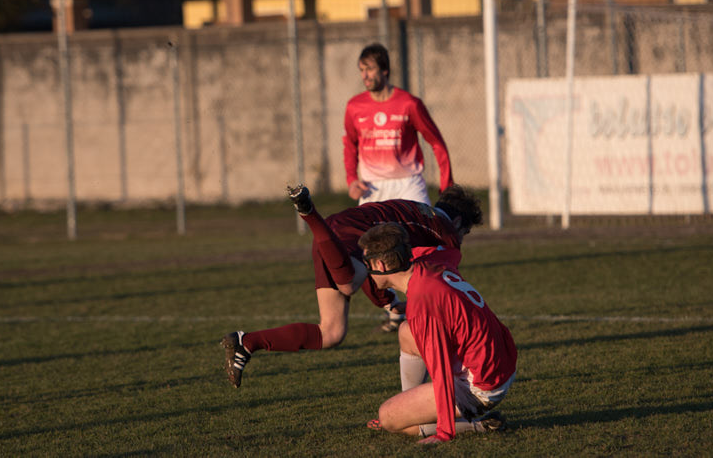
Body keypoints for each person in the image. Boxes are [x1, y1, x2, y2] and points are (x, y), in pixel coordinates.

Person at [220, 183, 483, 389]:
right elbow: (442, 286)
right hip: (348, 234)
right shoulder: (447, 232)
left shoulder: (419, 211)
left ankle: (246, 342)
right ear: (459, 223)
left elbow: (375, 272)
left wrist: (389, 302)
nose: (462, 239)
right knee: (347, 284)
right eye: (466, 233)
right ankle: (310, 215)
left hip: (335, 232)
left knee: (331, 332)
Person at [358, 222, 517, 445]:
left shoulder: (423, 304)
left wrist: (444, 432)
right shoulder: (428, 263)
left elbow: (440, 371)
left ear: (380, 265)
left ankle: (476, 424)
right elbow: (451, 258)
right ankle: (413, 408)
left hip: (483, 385)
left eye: (367, 263)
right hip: (501, 361)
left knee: (388, 418)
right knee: (406, 331)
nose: (366, 270)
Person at [343, 42, 453, 206]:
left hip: (409, 185)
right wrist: (352, 180)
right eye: (361, 70)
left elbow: (437, 143)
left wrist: (446, 185)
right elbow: (350, 145)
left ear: (384, 70)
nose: (364, 75)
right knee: (365, 225)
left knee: (425, 223)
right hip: (371, 188)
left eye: (370, 69)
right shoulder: (354, 107)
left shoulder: (410, 104)